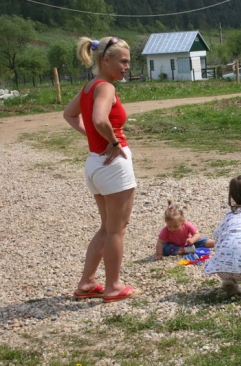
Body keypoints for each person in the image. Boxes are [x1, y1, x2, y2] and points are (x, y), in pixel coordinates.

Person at [64, 36, 140, 303]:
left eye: (128, 62)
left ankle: (87, 283)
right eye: (123, 61)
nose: (126, 66)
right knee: (117, 228)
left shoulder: (89, 87)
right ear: (105, 61)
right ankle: (113, 286)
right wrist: (114, 142)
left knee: (107, 227)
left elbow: (69, 115)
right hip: (112, 165)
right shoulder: (105, 87)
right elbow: (99, 119)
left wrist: (95, 140)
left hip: (95, 164)